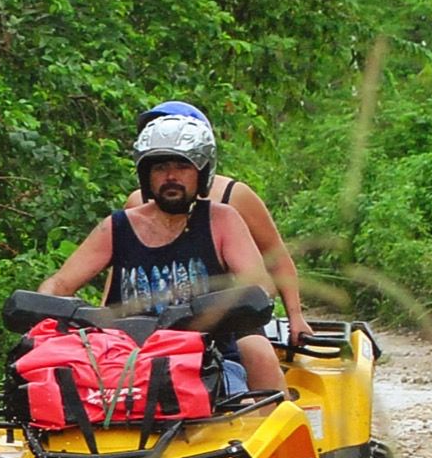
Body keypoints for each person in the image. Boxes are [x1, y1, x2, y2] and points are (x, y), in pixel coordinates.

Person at [35, 111, 288, 394]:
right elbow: (59, 283)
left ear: (201, 173)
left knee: (250, 379)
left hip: (208, 360)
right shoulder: (118, 227)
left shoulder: (222, 220)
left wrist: (222, 305)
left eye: (182, 167)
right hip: (125, 365)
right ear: (146, 176)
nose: (171, 177)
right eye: (160, 168)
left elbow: (261, 285)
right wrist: (45, 305)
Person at [124, 101, 313, 343]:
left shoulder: (235, 197)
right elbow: (123, 270)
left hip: (229, 320)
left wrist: (295, 317)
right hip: (152, 323)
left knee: (255, 350)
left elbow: (277, 259)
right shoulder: (137, 203)